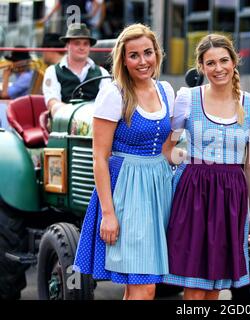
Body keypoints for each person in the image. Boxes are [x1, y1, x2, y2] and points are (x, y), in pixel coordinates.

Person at [73, 23, 175, 300]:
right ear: (123, 59)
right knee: (144, 287)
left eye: (148, 53)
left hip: (158, 190)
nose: (143, 61)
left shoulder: (166, 91)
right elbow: (99, 156)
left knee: (141, 285)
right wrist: (108, 213)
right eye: (134, 55)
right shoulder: (114, 94)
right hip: (127, 190)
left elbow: (167, 149)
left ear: (157, 54)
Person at [162, 34, 250, 300]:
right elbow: (167, 149)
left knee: (217, 284)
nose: (218, 68)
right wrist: (182, 157)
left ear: (234, 62)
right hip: (194, 190)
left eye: (223, 61)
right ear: (201, 67)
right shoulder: (188, 98)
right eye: (210, 63)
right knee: (195, 284)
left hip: (231, 192)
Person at [42, 23, 110, 118]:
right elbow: (53, 103)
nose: (82, 47)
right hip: (63, 123)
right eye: (77, 43)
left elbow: (107, 102)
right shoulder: (52, 71)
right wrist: (76, 116)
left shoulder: (102, 72)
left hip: (94, 122)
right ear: (67, 46)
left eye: (85, 44)